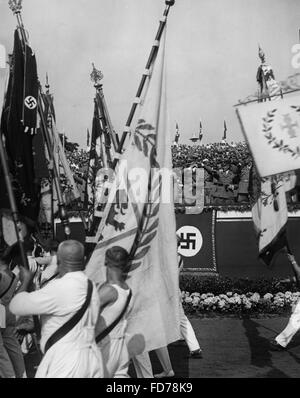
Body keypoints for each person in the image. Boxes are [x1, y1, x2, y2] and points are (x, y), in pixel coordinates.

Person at [9, 240, 103, 378]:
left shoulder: (58, 287)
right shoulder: (91, 286)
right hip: (90, 358)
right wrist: (35, 326)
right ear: (83, 260)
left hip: (64, 361)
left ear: (58, 261)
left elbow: (15, 306)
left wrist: (25, 280)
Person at [153, 235, 203, 378]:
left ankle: (191, 347)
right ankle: (193, 346)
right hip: (173, 291)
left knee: (173, 320)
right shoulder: (177, 257)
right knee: (181, 319)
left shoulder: (169, 258)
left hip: (168, 292)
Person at [95, 246, 132, 378]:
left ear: (106, 262)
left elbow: (85, 316)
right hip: (121, 347)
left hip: (105, 348)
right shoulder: (127, 288)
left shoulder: (109, 291)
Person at [0, 255, 26, 378]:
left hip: (1, 311)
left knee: (1, 353)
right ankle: (21, 374)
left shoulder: (2, 276)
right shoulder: (12, 275)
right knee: (12, 346)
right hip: (7, 310)